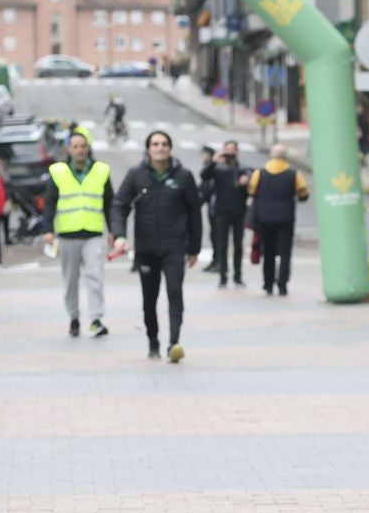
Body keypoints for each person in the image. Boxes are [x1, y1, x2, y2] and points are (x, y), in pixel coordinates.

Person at [112, 129, 204, 360]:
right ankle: (153, 340)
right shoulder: (136, 175)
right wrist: (119, 235)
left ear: (170, 148)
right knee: (149, 298)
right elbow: (119, 206)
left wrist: (194, 248)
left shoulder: (183, 176)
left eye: (164, 144)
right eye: (155, 144)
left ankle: (174, 342)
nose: (160, 147)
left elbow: (195, 213)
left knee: (175, 292)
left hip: (175, 246)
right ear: (148, 149)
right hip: (146, 247)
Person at [43, 128, 115, 336]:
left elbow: (110, 203)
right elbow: (49, 203)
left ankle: (95, 319)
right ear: (69, 149)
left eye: (83, 146)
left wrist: (113, 230)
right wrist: (48, 229)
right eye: (75, 147)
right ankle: (74, 318)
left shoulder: (101, 170)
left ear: (88, 148)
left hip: (93, 233)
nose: (79, 150)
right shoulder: (58, 172)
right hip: (67, 234)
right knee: (70, 281)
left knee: (95, 277)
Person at [247, 143, 309, 296]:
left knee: (268, 251)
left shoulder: (259, 173)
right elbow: (303, 193)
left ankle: (268, 284)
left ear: (271, 156)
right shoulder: (294, 174)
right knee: (285, 253)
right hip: (285, 218)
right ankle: (282, 284)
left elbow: (252, 190)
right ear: (285, 157)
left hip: (265, 217)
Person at [207, 140, 249, 286]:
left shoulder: (243, 169)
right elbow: (204, 175)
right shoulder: (218, 169)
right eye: (227, 150)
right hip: (222, 211)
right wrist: (214, 160)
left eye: (233, 150)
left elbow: (254, 182)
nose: (230, 153)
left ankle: (237, 276)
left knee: (238, 245)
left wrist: (247, 180)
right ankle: (223, 276)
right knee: (222, 244)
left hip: (239, 211)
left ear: (237, 151)